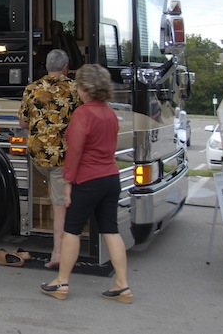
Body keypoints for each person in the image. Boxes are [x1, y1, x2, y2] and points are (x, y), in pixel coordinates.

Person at [40, 64, 133, 303]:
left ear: (86, 88)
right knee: (110, 230)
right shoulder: (110, 112)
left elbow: (75, 152)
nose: (77, 89)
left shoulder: (83, 114)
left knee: (71, 231)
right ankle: (122, 285)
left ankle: (61, 282)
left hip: (88, 179)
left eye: (79, 85)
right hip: (111, 177)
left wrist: (68, 182)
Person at [17, 49, 80, 269]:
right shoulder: (73, 88)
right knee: (60, 203)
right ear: (66, 68)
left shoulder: (32, 88)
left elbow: (23, 124)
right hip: (61, 156)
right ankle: (58, 252)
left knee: (53, 195)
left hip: (37, 154)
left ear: (46, 67)